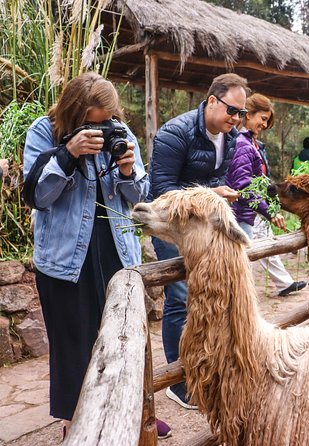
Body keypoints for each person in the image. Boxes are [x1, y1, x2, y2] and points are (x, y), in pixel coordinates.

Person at [22, 72, 171, 440]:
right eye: (93, 122)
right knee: (74, 340)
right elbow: (37, 195)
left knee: (126, 336)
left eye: (106, 120)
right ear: (75, 113)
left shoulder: (119, 130)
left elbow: (139, 196)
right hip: (65, 256)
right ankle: (76, 417)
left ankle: (137, 407)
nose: (102, 129)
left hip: (118, 250)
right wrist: (68, 153)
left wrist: (126, 168)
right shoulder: (46, 131)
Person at [148, 73, 245, 411]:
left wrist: (220, 194)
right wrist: (208, 195)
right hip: (173, 229)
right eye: (232, 111)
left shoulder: (228, 137)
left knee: (208, 296)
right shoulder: (174, 133)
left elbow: (217, 176)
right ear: (213, 100)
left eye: (241, 114)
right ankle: (178, 379)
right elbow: (161, 189)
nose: (235, 120)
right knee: (178, 298)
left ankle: (205, 365)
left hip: (204, 229)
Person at [226, 93, 307, 296]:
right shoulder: (242, 145)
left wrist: (272, 204)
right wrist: (269, 211)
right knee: (242, 260)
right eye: (262, 119)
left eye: (267, 121)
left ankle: (283, 284)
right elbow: (244, 185)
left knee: (265, 244)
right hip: (243, 210)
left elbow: (260, 180)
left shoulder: (253, 144)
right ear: (248, 114)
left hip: (254, 208)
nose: (264, 124)